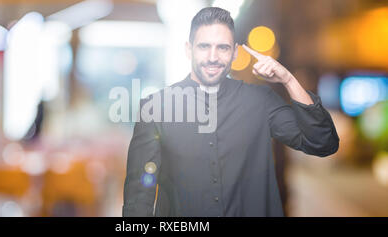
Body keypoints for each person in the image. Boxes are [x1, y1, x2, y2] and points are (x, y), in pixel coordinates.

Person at [122, 7, 339, 217]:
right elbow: (138, 197)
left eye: (223, 48)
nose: (213, 57)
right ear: (189, 50)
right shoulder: (156, 108)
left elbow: (323, 142)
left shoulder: (260, 102)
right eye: (204, 46)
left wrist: (288, 80)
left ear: (235, 52)